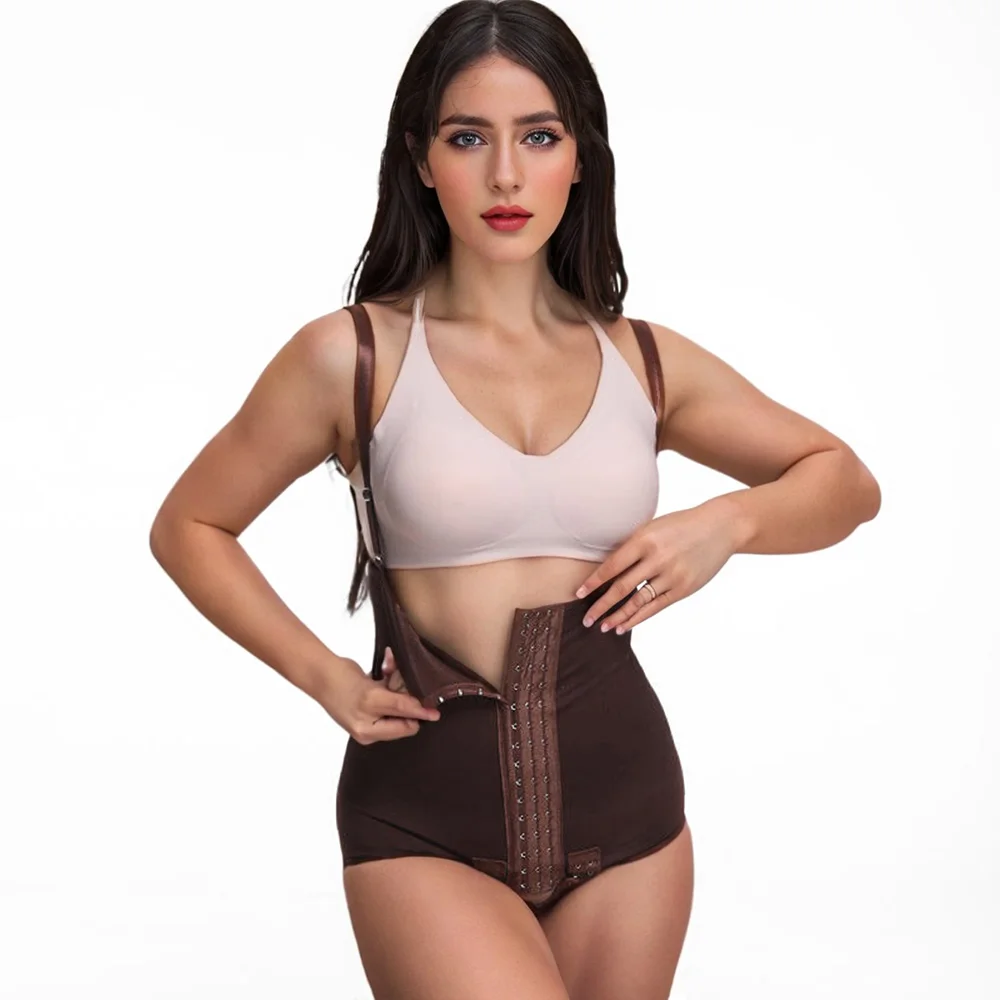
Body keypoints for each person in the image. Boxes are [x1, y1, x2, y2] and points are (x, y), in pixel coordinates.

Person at [149, 2, 881, 997]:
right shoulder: (351, 355)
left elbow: (845, 481)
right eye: (467, 138)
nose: (504, 175)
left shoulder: (644, 361)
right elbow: (190, 525)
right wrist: (323, 676)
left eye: (538, 136)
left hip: (628, 815)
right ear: (420, 159)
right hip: (422, 821)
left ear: (579, 158)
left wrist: (727, 523)